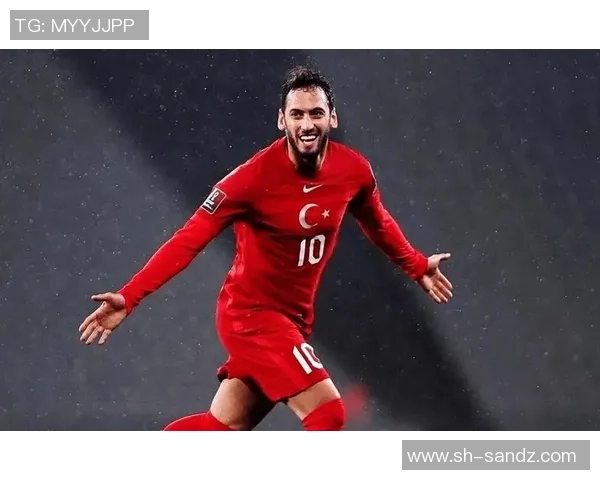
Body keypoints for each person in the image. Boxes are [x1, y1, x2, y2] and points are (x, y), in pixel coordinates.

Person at [78, 65, 454, 431]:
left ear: (333, 118)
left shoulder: (353, 170)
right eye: (297, 115)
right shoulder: (250, 180)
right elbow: (188, 240)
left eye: (316, 113)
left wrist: (417, 265)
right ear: (281, 120)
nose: (307, 124)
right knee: (328, 413)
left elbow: (378, 222)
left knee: (223, 427)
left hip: (294, 320)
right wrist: (130, 296)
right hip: (251, 316)